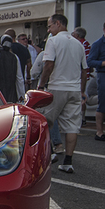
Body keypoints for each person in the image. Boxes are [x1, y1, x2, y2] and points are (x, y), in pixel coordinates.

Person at [37, 14, 88, 173]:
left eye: (50, 25)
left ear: (58, 24)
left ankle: (50, 153)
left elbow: (48, 65)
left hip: (57, 87)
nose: (48, 29)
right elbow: (84, 70)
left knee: (45, 121)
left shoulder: (53, 41)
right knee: (72, 126)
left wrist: (41, 85)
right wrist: (82, 91)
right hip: (74, 89)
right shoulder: (78, 44)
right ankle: (68, 161)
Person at [87, 22, 105, 141]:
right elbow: (90, 61)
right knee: (103, 104)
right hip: (103, 75)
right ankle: (99, 132)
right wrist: (102, 63)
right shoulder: (98, 44)